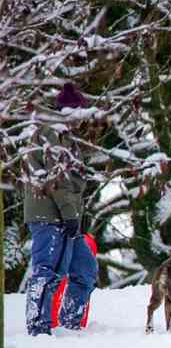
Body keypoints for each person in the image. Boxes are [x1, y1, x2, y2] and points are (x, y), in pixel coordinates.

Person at [24, 83, 98, 336]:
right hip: (48, 215)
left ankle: (71, 324)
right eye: (78, 112)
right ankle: (38, 328)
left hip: (66, 216)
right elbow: (57, 182)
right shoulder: (51, 135)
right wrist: (69, 215)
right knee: (47, 272)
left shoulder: (68, 137)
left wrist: (73, 216)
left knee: (85, 270)